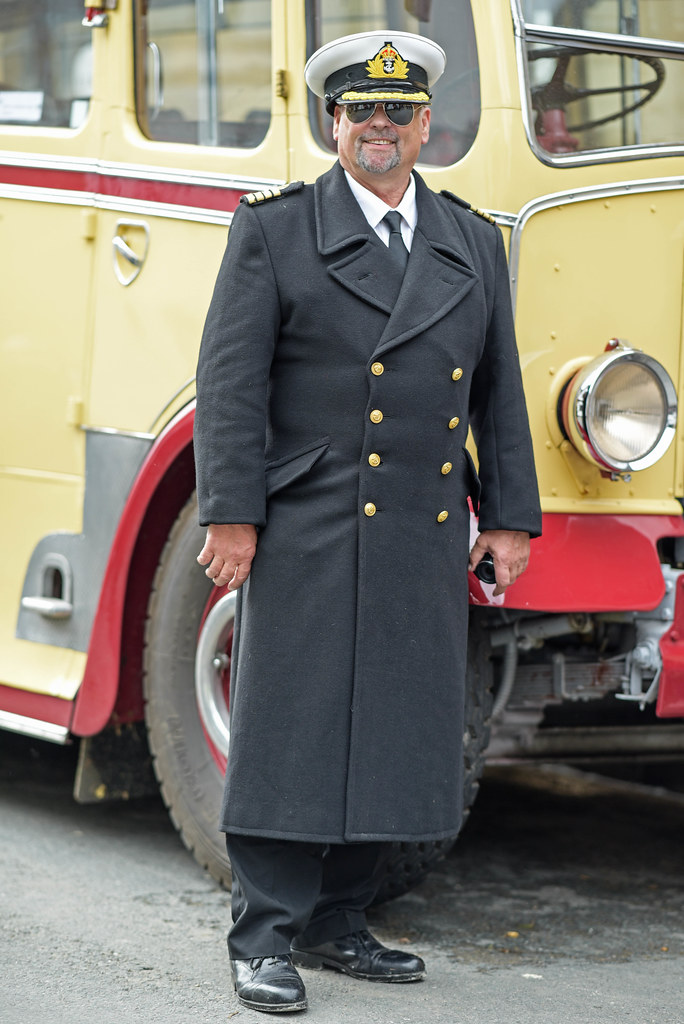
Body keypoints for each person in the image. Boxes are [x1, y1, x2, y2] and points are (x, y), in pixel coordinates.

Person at [194, 29, 542, 1014]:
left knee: (396, 721)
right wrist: (231, 513)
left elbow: (498, 393)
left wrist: (510, 516)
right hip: (307, 518)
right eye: (360, 112)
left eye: (397, 112)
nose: (378, 128)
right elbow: (229, 386)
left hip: (418, 527)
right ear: (332, 123)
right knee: (293, 724)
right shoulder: (273, 231)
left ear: (426, 124)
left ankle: (342, 918)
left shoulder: (471, 240)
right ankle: (262, 933)